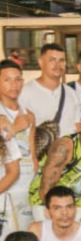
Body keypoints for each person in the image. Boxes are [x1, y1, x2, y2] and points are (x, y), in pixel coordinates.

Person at [28, 98, 81, 224]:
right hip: (46, 202)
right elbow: (45, 188)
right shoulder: (64, 147)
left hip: (75, 203)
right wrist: (58, 214)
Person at [0, 59, 35, 231]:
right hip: (5, 187)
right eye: (7, 80)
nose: (14, 84)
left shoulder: (28, 114)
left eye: (18, 79)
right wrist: (14, 127)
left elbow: (33, 155)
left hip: (27, 188)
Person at [19, 44, 79, 138]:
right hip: (40, 151)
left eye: (61, 60)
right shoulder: (25, 93)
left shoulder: (71, 93)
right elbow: (20, 133)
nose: (57, 64)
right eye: (52, 60)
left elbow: (77, 126)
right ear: (41, 62)